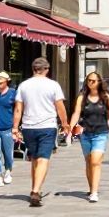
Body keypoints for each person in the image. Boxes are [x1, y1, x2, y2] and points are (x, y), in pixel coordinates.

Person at [12, 57, 68, 208]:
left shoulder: (24, 85)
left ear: (33, 69)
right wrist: (65, 124)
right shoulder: (53, 85)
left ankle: (35, 188)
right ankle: (36, 191)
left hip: (28, 127)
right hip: (47, 126)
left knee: (35, 159)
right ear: (47, 70)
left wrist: (15, 127)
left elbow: (18, 109)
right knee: (43, 159)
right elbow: (60, 106)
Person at [67, 72, 109, 203]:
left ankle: (94, 192)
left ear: (99, 82)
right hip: (85, 134)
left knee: (95, 161)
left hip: (101, 133)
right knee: (89, 162)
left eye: (94, 81)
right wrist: (69, 131)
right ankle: (92, 188)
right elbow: (76, 114)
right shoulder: (82, 98)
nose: (91, 83)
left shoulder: (106, 98)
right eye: (89, 80)